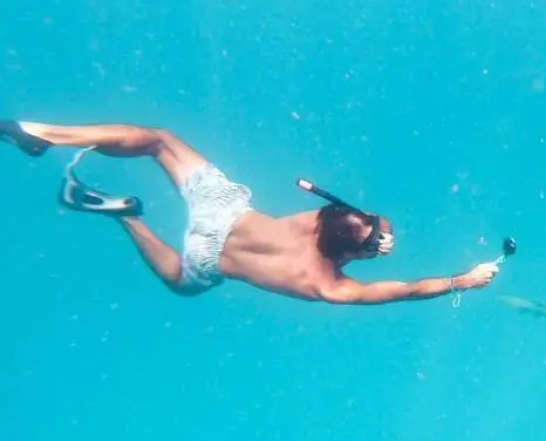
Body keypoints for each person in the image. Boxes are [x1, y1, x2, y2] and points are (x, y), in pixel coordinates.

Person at [1, 119, 500, 303]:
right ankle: (124, 215)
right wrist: (464, 279)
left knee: (157, 140)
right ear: (357, 255)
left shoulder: (322, 217)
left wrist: (377, 230)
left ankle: (43, 132)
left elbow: (360, 218)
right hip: (210, 259)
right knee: (178, 279)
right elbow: (408, 290)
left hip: (223, 211)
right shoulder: (326, 283)